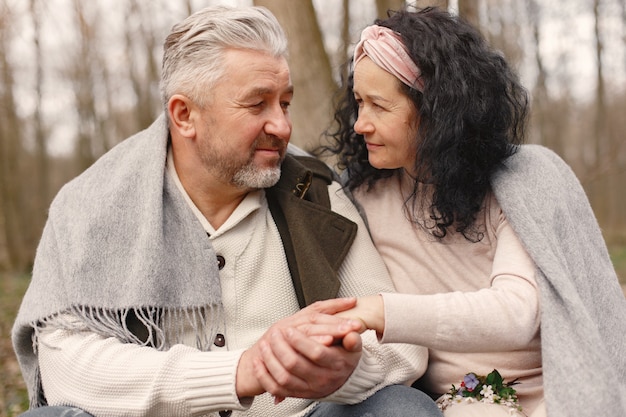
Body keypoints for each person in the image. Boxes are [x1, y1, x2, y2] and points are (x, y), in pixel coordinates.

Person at [11, 6, 443, 417]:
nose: (282, 126)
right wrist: (240, 371)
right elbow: (65, 366)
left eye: (285, 103)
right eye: (257, 105)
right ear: (184, 115)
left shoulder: (314, 191)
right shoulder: (89, 207)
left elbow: (401, 344)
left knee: (401, 409)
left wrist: (340, 370)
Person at [322, 7, 626, 417]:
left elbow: (517, 312)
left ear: (436, 113)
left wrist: (381, 311)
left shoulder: (521, 180)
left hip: (561, 391)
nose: (360, 124)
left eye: (379, 106)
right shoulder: (360, 197)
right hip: (458, 404)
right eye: (359, 102)